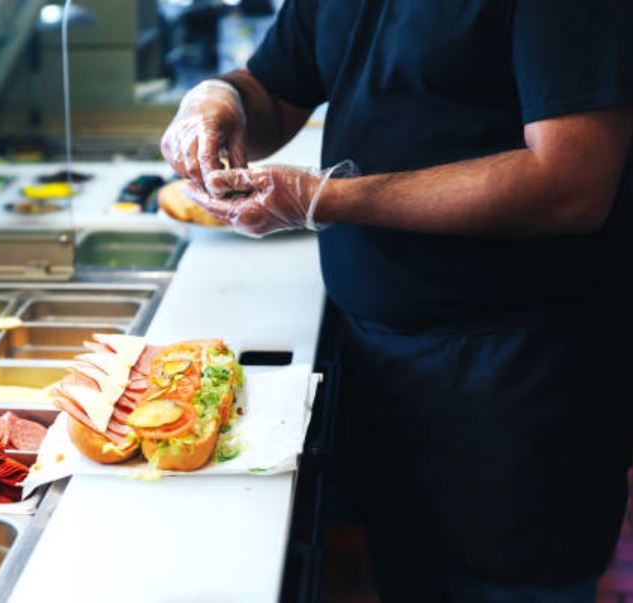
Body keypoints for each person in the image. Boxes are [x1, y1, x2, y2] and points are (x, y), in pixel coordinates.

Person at [160, 2, 633, 602]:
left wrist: (327, 197)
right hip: (384, 365)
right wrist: (218, 100)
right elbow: (274, 92)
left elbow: (570, 184)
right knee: (407, 571)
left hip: (519, 377)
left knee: (513, 585)